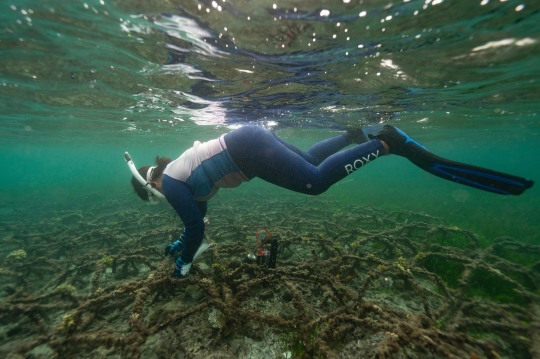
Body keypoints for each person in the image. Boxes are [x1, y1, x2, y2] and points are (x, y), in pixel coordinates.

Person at [126, 125, 533, 277]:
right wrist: (183, 244)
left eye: (155, 199)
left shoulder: (174, 183)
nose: (163, 201)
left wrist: (182, 265)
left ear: (152, 186)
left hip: (245, 150)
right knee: (308, 161)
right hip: (247, 140)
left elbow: (195, 226)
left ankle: (384, 143)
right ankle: (349, 136)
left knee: (315, 183)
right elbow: (196, 221)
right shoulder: (181, 180)